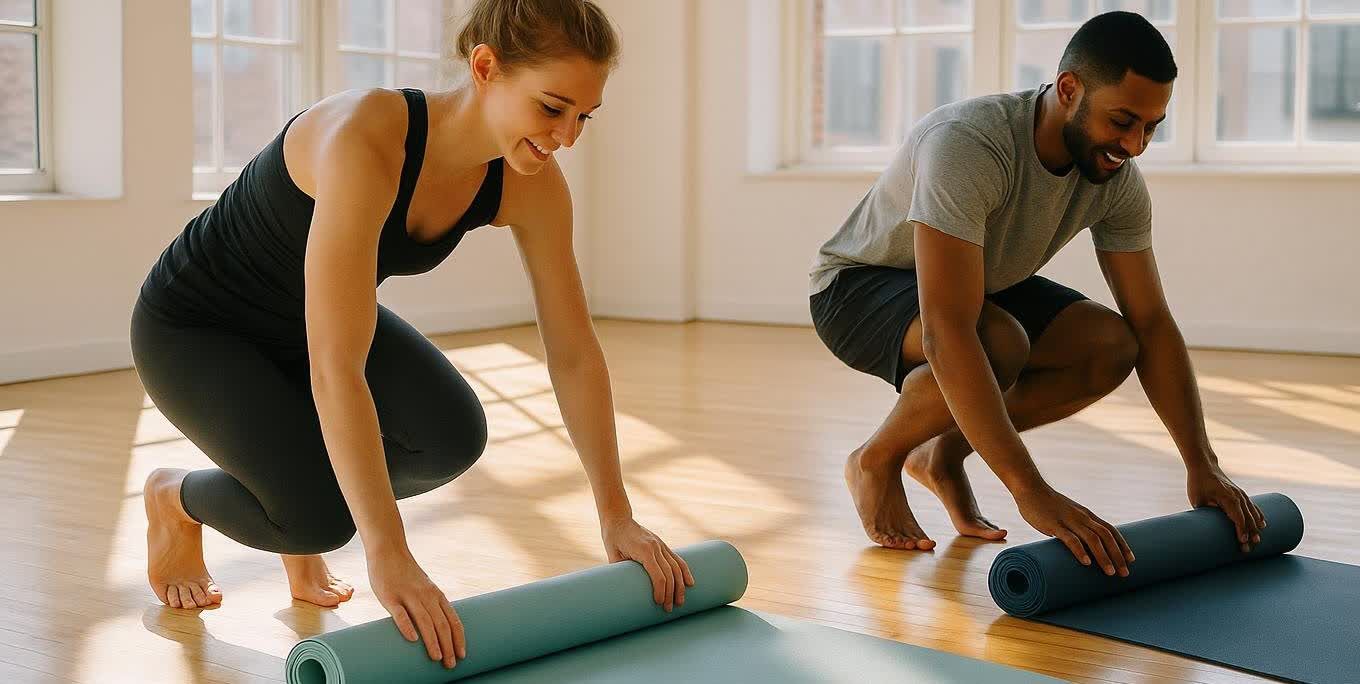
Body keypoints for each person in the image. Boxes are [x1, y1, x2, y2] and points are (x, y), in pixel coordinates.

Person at [131, 0, 693, 671]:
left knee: (451, 435)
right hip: (199, 326)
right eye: (552, 107)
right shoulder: (366, 139)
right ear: (485, 67)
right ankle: (175, 497)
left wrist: (615, 514)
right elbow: (335, 365)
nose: (567, 135)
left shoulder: (529, 184)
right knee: (318, 519)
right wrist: (388, 551)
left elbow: (573, 354)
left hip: (307, 325)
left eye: (583, 116)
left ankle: (292, 486)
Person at [808, 12, 1267, 572]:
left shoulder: (1117, 180)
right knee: (997, 339)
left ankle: (941, 456)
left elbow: (1151, 323)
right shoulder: (969, 145)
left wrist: (1202, 463)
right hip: (855, 286)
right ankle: (877, 459)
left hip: (980, 287)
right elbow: (947, 330)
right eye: (1122, 121)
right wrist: (1030, 489)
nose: (1136, 145)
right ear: (1069, 89)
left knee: (1110, 344)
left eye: (1152, 126)